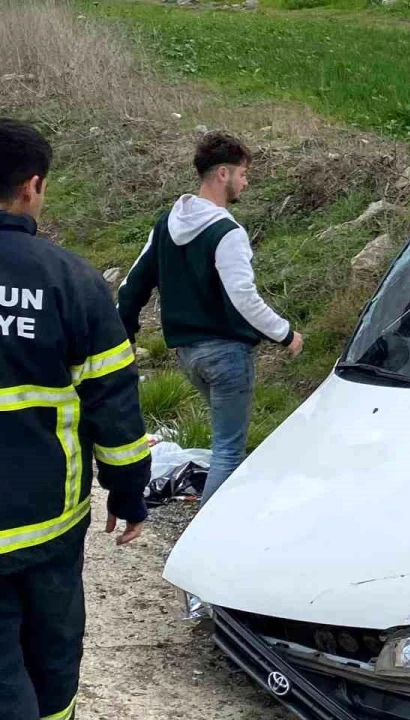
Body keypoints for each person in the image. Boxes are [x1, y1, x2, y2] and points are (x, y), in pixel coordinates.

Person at [0, 118, 151, 720]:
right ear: (33, 186)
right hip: (47, 528)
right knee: (53, 656)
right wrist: (129, 492)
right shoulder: (73, 282)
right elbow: (114, 401)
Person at [118, 132, 303, 505]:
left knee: (225, 443)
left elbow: (131, 286)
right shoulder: (226, 231)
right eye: (243, 174)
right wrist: (286, 335)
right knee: (228, 452)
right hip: (227, 355)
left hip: (187, 355)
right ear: (223, 174)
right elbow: (243, 298)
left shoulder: (167, 222)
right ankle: (208, 535)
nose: (246, 182)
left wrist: (126, 334)